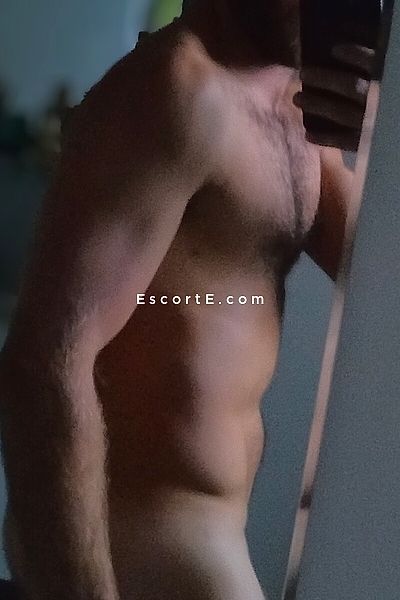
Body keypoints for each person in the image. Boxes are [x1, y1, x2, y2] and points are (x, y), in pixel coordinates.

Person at [0, 0, 375, 598]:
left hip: (216, 537)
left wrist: (388, 139)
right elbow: (45, 360)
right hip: (139, 546)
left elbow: (381, 278)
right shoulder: (176, 92)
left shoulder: (294, 108)